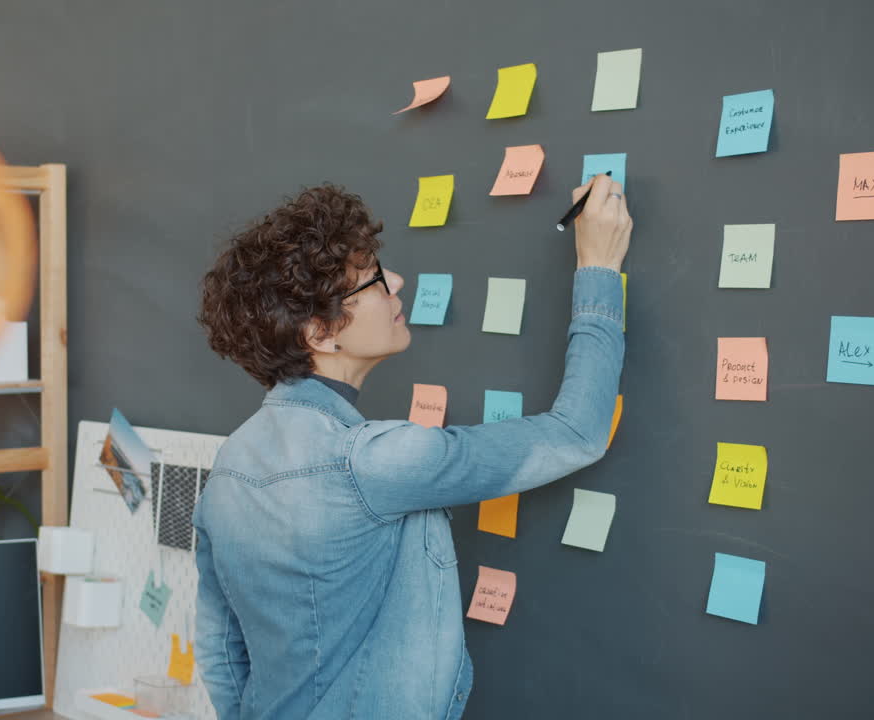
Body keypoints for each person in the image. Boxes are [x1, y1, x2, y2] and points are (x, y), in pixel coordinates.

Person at [193, 174, 631, 719]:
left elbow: (220, 653)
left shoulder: (228, 468)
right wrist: (599, 267)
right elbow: (578, 432)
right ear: (321, 334)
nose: (396, 281)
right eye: (373, 279)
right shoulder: (375, 461)